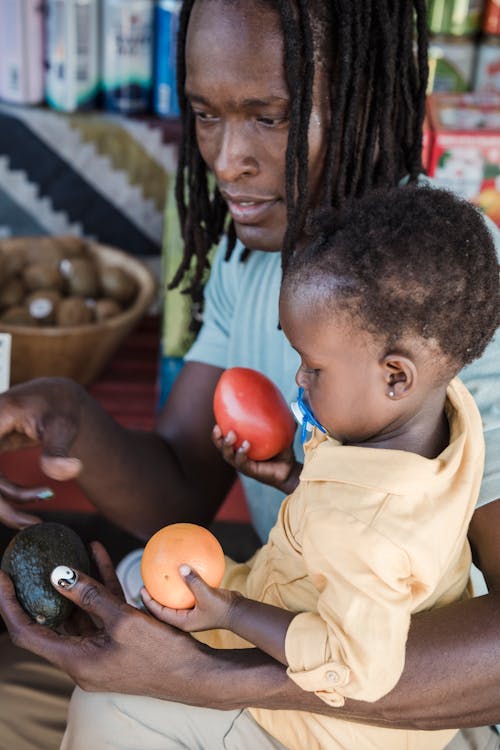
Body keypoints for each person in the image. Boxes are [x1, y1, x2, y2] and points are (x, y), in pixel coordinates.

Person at [0, 1, 497, 749]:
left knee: (106, 714)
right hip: (279, 618)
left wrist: (205, 676)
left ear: (364, 94)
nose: (227, 158)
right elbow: (181, 491)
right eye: (206, 114)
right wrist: (69, 416)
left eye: (269, 118)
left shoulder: (444, 306)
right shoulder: (256, 252)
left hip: (398, 713)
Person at [138, 183, 499, 750]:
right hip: (323, 611)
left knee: (111, 706)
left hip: (321, 728)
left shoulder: (358, 527)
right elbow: (383, 527)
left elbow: (357, 668)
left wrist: (231, 613)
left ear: (396, 377)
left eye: (313, 367)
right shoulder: (447, 418)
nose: (299, 381)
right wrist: (296, 480)